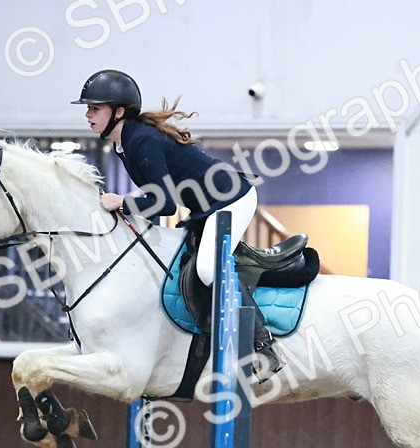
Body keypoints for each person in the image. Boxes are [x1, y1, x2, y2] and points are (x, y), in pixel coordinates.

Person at [72, 69, 281, 379]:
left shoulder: (141, 140)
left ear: (118, 112)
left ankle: (262, 346)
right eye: (87, 108)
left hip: (231, 200)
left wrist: (123, 202)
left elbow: (165, 204)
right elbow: (157, 203)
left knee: (209, 269)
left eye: (94, 108)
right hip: (203, 208)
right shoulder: (123, 144)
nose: (88, 115)